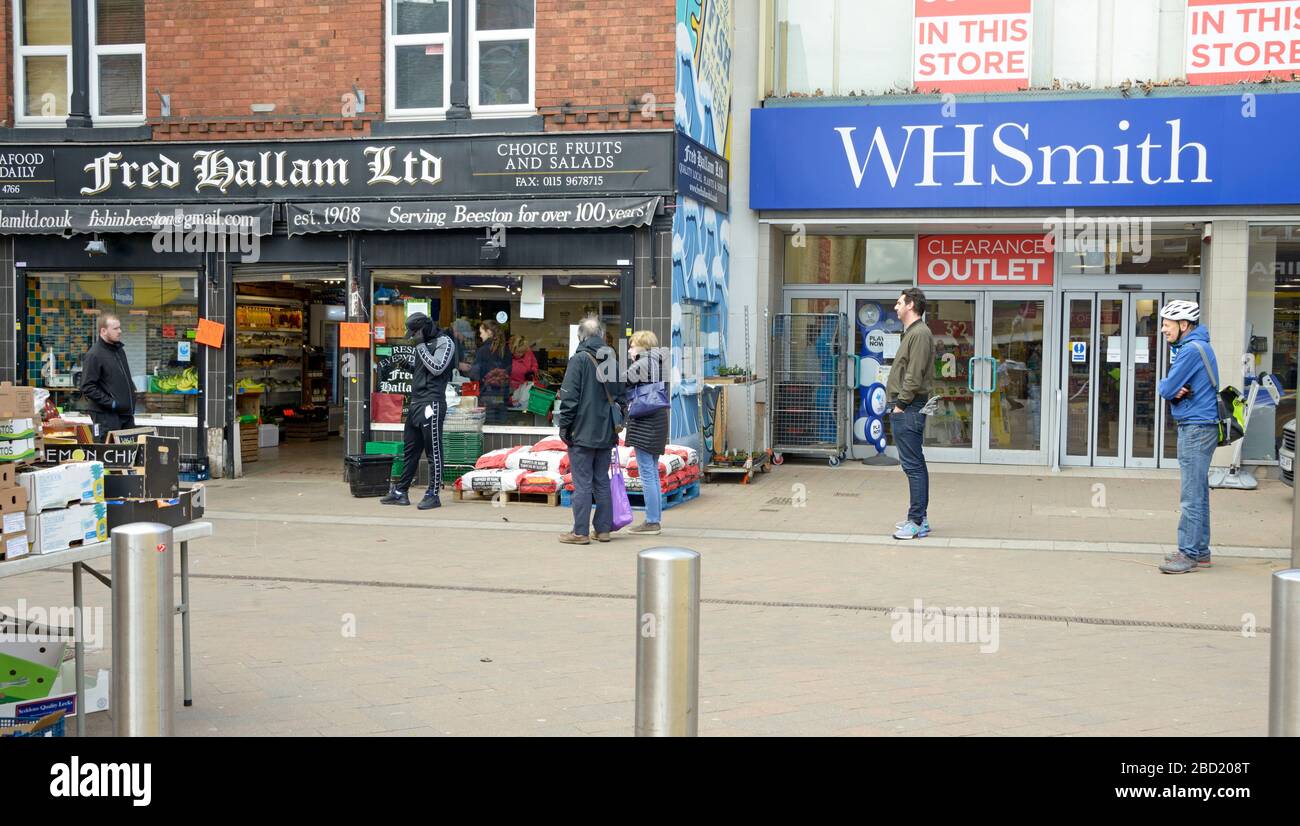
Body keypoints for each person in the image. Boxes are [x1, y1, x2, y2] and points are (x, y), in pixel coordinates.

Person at [1157, 300, 1219, 574]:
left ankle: (1188, 553)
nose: (1162, 330)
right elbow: (1173, 388)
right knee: (1199, 492)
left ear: (1184, 325)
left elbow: (1167, 387)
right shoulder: (1194, 346)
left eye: (1167, 325)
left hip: (1195, 427)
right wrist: (1173, 388)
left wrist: (1169, 387)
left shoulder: (1191, 350)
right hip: (1200, 425)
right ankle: (1201, 550)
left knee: (1191, 495)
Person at [556, 315, 624, 545]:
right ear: (602, 336)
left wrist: (564, 427)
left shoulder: (579, 360)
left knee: (583, 483)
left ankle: (580, 532)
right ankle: (603, 530)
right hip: (607, 432)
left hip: (582, 432)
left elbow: (569, 398)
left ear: (581, 336)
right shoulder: (612, 360)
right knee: (601, 481)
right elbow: (621, 397)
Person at [381, 312, 455, 509]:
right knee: (410, 450)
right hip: (416, 403)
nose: (412, 337)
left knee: (434, 452)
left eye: (414, 333)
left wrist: (421, 345)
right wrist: (409, 367)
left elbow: (438, 367)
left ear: (423, 329)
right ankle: (400, 491)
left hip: (432, 403)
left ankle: (433, 494)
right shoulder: (422, 344)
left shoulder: (445, 342)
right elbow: (425, 369)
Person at [887, 288, 935, 541]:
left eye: (899, 303)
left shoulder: (919, 334)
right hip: (909, 406)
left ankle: (916, 522)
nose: (895, 307)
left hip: (910, 406)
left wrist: (901, 405)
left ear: (911, 305)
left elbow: (914, 375)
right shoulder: (913, 333)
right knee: (914, 464)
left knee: (913, 466)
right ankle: (920, 518)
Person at [624, 330, 669, 536]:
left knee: (647, 474)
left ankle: (652, 522)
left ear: (641, 346)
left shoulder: (642, 363)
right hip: (658, 420)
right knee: (652, 471)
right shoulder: (659, 362)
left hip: (645, 423)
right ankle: (654, 519)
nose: (630, 349)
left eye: (632, 345)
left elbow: (620, 383)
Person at [79, 313, 136, 439]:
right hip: (106, 417)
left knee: (129, 454)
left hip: (126, 415)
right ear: (103, 331)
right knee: (109, 454)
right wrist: (112, 403)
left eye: (120, 328)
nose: (120, 331)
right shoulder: (94, 354)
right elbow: (87, 386)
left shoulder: (119, 351)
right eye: (115, 328)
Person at [470, 319, 513, 424]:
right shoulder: (506, 350)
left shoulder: (483, 351)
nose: (480, 336)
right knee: (501, 427)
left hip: (487, 394)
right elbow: (509, 371)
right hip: (503, 394)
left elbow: (474, 375)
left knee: (488, 427)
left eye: (481, 332)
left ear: (489, 332)